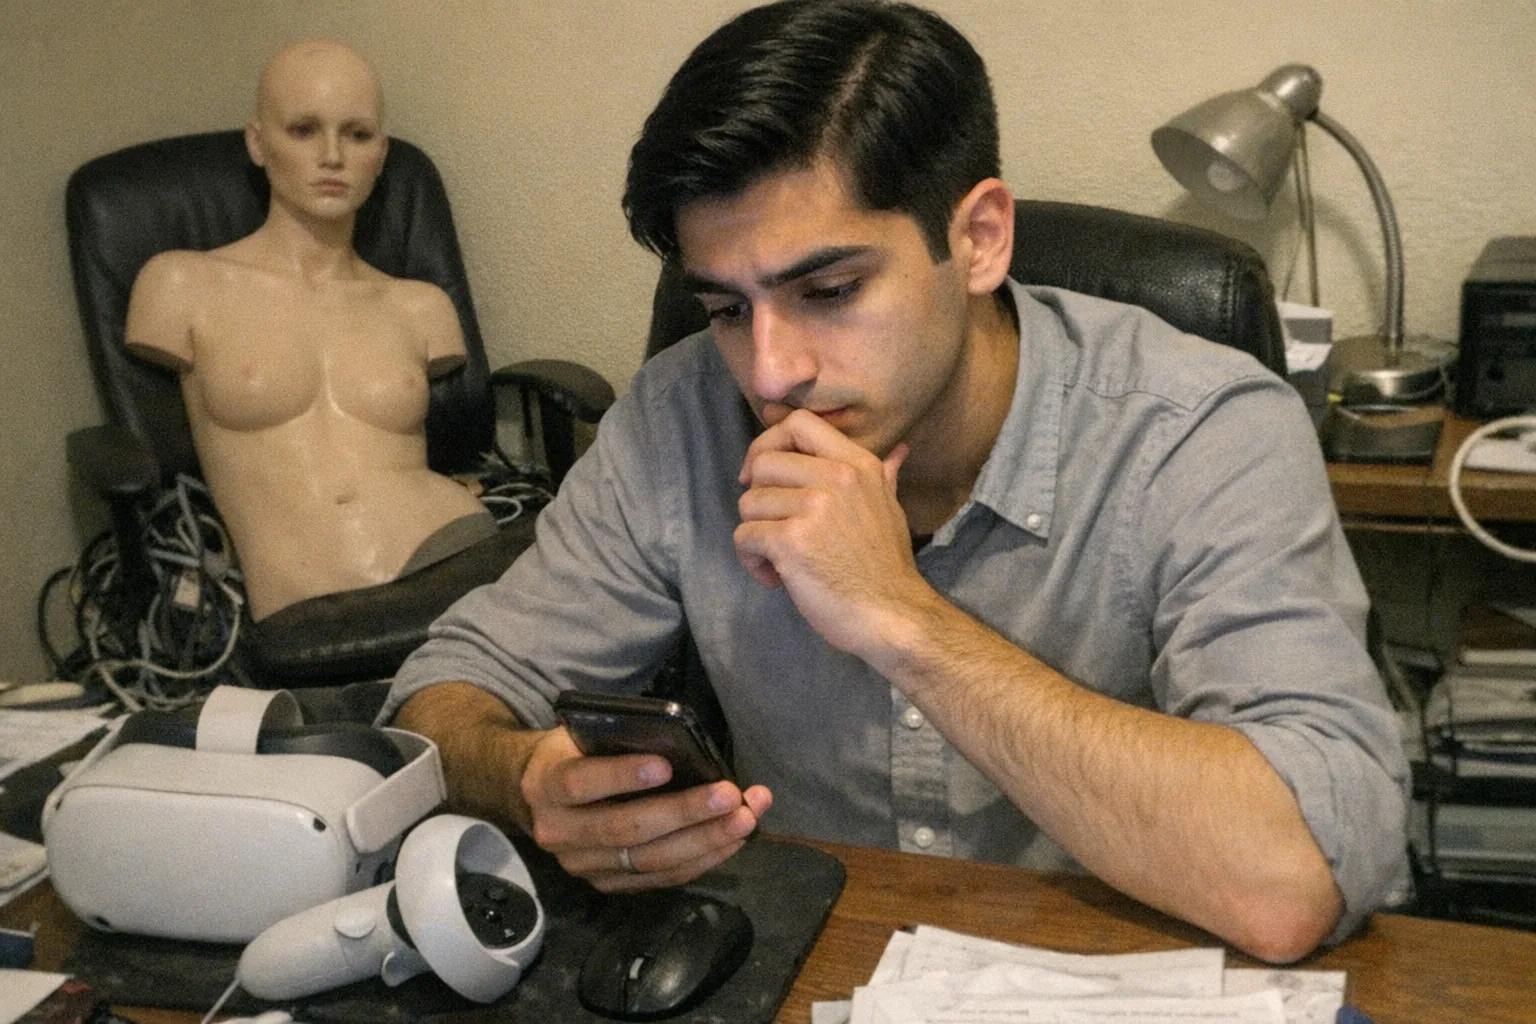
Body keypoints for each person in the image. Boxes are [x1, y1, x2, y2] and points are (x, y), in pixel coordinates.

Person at [384, 0, 1409, 963]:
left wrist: (903, 618)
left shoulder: (1201, 430)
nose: (772, 371)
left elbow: (1302, 872)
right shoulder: (679, 417)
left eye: (828, 291)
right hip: (804, 965)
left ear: (977, 240)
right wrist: (527, 781)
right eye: (727, 308)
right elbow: (437, 698)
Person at [125, 40, 494, 622]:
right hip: (304, 601)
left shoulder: (421, 307)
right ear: (257, 142)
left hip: (454, 558)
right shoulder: (179, 285)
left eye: (357, 134)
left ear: (381, 153)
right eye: (302, 129)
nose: (331, 155)